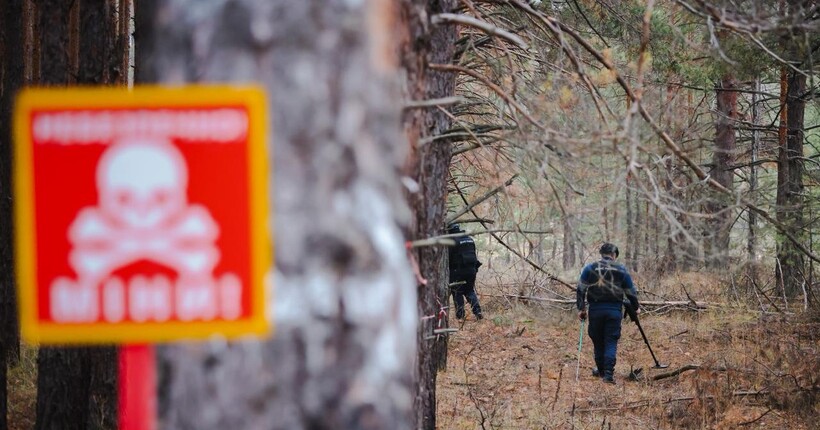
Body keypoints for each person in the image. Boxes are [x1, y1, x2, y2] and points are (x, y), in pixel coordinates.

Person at [576, 243, 639, 384]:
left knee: (598, 341)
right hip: (614, 311)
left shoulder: (590, 268)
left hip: (595, 310)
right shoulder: (621, 269)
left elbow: (581, 289)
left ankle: (602, 370)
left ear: (601, 254)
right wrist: (636, 307)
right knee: (610, 341)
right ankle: (608, 375)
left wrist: (581, 309)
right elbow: (630, 291)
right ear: (614, 254)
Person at [447, 224, 483, 320]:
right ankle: (478, 311)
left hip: (457, 270)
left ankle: (460, 316)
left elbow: (448, 259)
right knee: (469, 291)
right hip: (472, 270)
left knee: (457, 292)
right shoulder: (469, 239)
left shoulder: (451, 241)